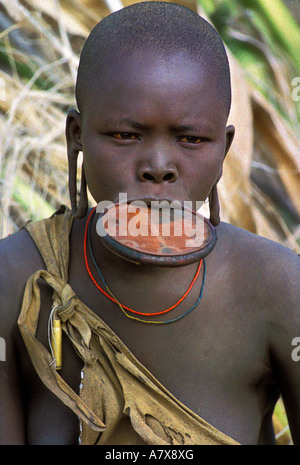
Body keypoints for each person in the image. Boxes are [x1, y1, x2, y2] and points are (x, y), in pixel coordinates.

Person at [0, 1, 299, 446]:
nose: (158, 167)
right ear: (76, 137)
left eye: (192, 139)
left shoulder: (276, 286)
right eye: (126, 135)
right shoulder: (17, 280)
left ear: (224, 148)